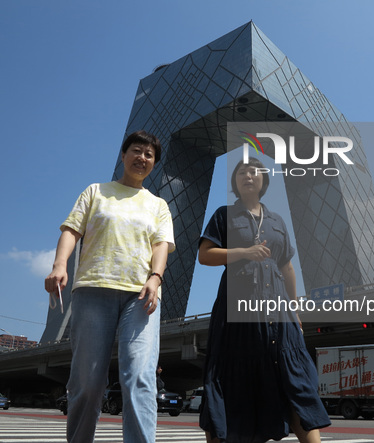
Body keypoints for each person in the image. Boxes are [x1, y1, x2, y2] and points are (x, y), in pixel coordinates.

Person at [44, 130, 175, 443]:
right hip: (93, 290)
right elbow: (71, 231)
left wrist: (155, 278)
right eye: (136, 151)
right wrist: (59, 265)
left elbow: (161, 246)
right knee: (87, 382)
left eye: (149, 155)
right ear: (123, 154)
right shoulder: (96, 192)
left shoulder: (157, 205)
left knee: (141, 377)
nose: (141, 158)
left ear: (154, 163)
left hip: (141, 295)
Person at [198, 157, 330, 443]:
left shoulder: (277, 220)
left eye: (254, 172)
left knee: (296, 385)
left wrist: (294, 311)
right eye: (242, 172)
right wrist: (244, 252)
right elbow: (205, 255)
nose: (248, 175)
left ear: (264, 181)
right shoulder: (224, 215)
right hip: (236, 314)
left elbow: (287, 268)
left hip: (278, 312)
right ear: (235, 181)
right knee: (233, 384)